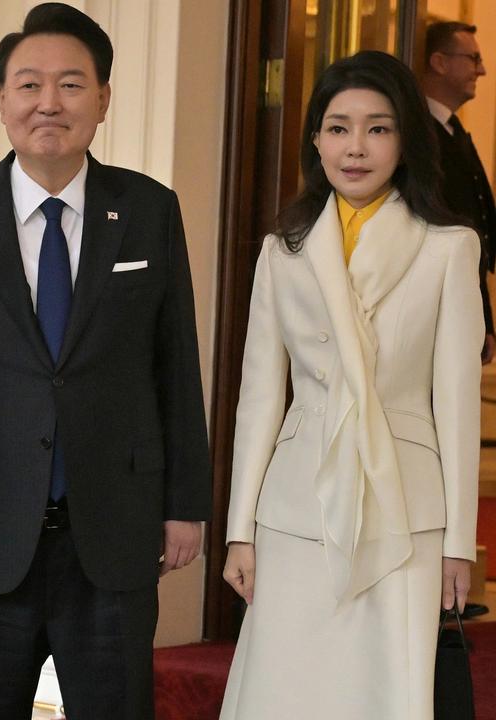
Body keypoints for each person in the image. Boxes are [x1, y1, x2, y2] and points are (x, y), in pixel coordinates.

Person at [0, 4, 211, 718]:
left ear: (103, 99)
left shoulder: (148, 210)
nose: (49, 103)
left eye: (71, 84)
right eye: (29, 84)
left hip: (111, 532)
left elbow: (176, 362)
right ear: (3, 99)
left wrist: (186, 503)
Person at [220, 50, 480, 719]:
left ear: (405, 140)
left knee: (386, 692)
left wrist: (459, 543)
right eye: (338, 127)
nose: (355, 147)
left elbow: (455, 403)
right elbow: (258, 399)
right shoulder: (286, 247)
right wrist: (239, 530)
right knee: (287, 691)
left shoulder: (448, 246)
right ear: (315, 139)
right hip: (297, 508)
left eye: (378, 128)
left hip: (408, 509)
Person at [421, 21, 496, 363]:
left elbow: (473, 235)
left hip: (463, 298)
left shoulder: (453, 128)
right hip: (432, 308)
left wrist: (485, 320)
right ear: (439, 62)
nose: (481, 70)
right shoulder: (418, 133)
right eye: (473, 58)